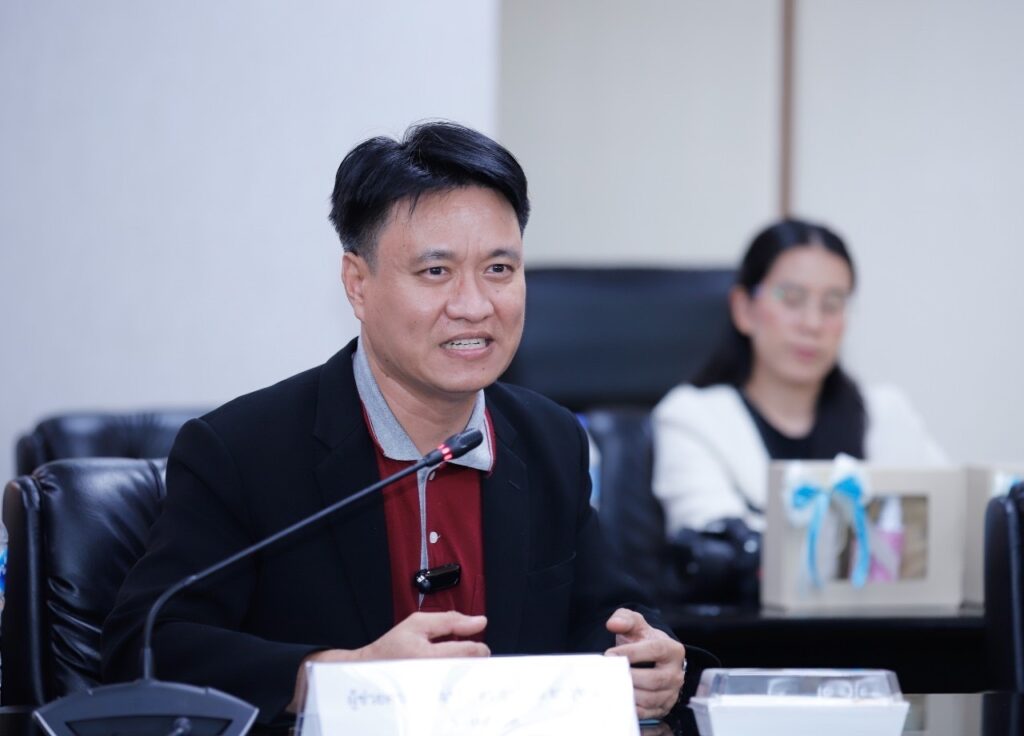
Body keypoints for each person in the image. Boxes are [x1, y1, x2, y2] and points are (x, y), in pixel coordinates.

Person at [102, 121, 685, 724]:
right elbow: (144, 647)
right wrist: (338, 676)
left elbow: (609, 612)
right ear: (358, 284)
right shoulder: (243, 450)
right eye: (436, 272)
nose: (474, 305)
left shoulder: (549, 438)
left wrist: (651, 658)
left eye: (499, 269)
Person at [652, 218, 946, 537]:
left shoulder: (884, 415)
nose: (812, 324)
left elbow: (950, 519)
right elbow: (712, 541)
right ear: (744, 309)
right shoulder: (693, 419)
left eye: (832, 304)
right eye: (792, 299)